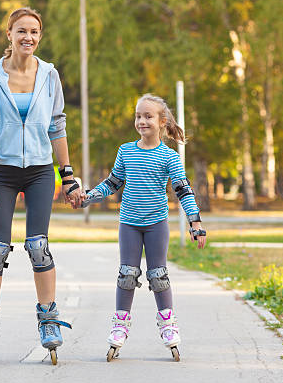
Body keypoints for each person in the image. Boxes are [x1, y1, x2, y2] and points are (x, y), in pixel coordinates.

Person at [0, 7, 82, 366]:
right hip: (0, 170)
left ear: (39, 36)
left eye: (34, 32)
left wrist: (68, 173)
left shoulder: (49, 74)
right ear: (9, 34)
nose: (28, 37)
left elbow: (57, 125)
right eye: (21, 31)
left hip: (41, 170)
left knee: (38, 246)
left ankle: (48, 319)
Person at [80, 94, 207, 362]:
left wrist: (195, 221)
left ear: (162, 121)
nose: (141, 121)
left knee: (158, 275)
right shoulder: (126, 151)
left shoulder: (169, 157)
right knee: (127, 274)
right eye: (138, 116)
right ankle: (120, 326)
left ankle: (168, 324)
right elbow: (112, 184)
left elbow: (183, 190)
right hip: (129, 223)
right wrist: (89, 197)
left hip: (157, 224)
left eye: (148, 116)